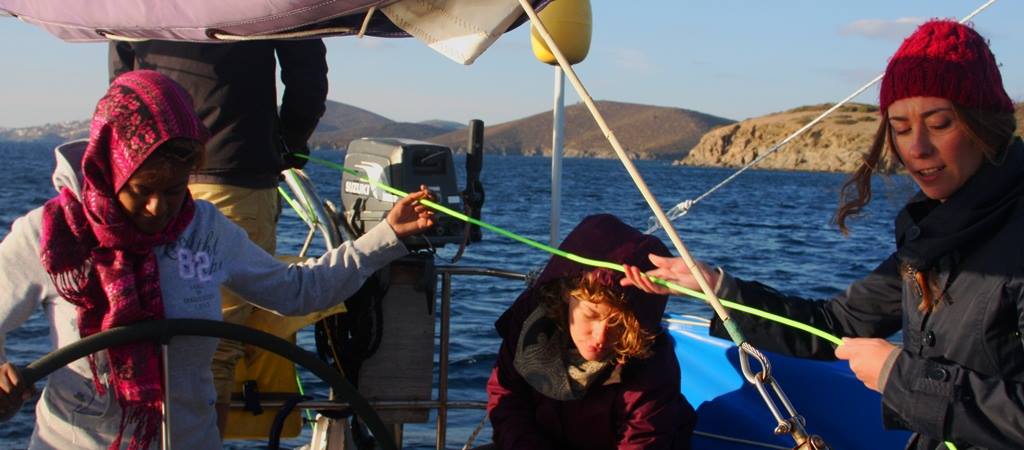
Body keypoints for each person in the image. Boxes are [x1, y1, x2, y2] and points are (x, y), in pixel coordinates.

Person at [623, 20, 1022, 450]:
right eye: (901, 128)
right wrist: (717, 287)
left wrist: (902, 378)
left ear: (986, 125)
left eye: (940, 123)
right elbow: (836, 323)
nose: (917, 148)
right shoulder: (931, 241)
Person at [0, 70, 433, 449]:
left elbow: (296, 292)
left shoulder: (204, 230)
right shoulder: (52, 235)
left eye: (174, 190)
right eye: (141, 190)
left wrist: (387, 236)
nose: (158, 207)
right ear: (109, 168)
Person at [109, 39, 329, 433]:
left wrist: (135, 156)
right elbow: (306, 72)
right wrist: (287, 145)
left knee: (143, 334)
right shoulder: (259, 12)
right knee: (213, 345)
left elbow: (122, 81)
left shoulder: (130, 12)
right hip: (235, 166)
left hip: (142, 176)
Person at [486, 214, 696, 450]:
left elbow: (643, 439)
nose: (600, 338)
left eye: (618, 325)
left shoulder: (652, 364)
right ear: (567, 294)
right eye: (591, 315)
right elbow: (507, 398)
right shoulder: (529, 325)